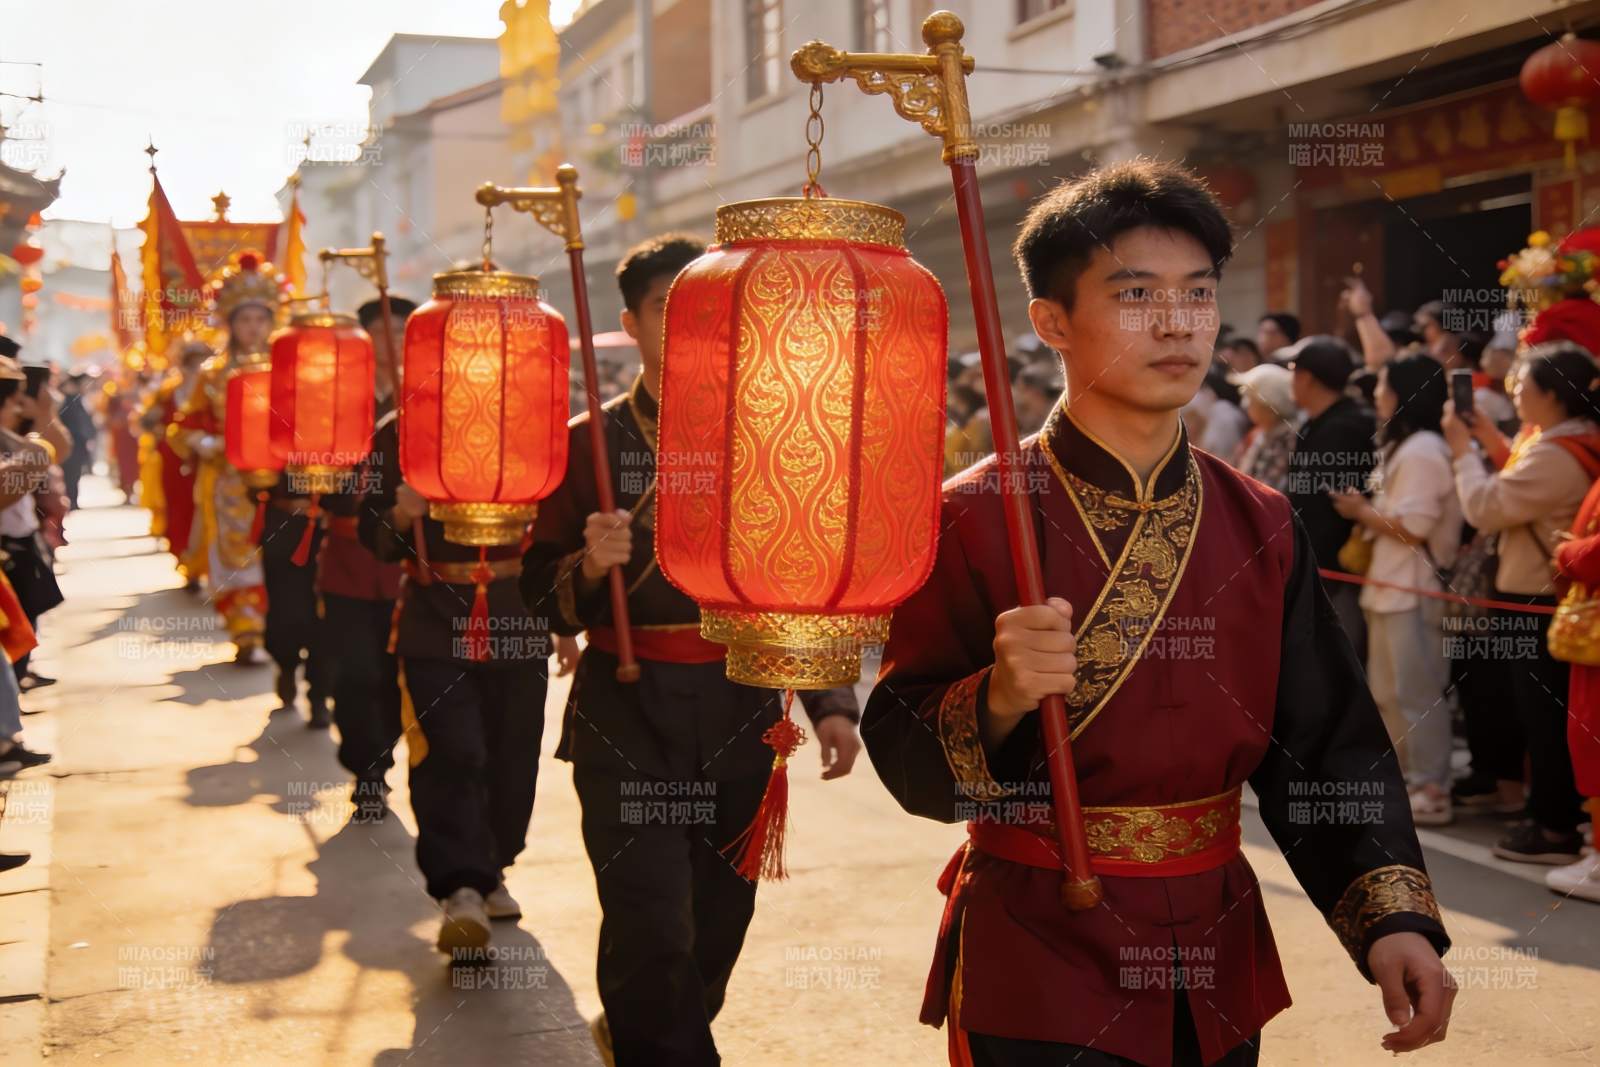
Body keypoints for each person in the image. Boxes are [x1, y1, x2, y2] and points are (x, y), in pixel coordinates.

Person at [864, 160, 1452, 1067]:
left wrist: (1393, 918)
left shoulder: (1260, 519)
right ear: (1051, 321)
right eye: (1136, 294)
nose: (1178, 323)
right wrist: (1000, 697)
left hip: (1218, 950)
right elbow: (904, 748)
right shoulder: (967, 516)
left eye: (1198, 292)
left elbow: (1327, 740)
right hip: (1042, 951)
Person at [522, 233, 863, 1067]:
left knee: (717, 920)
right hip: (625, 712)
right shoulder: (583, 444)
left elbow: (807, 579)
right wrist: (585, 566)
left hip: (742, 704)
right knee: (647, 919)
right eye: (667, 313)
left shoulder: (778, 439)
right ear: (631, 324)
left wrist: (831, 702)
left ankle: (649, 1033)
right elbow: (532, 592)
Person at [357, 284, 551, 955]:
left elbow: (557, 530)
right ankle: (459, 887)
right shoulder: (398, 432)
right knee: (451, 749)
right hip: (435, 616)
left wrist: (572, 622)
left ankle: (495, 864)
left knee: (512, 749)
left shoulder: (535, 421)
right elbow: (370, 532)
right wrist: (402, 513)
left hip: (519, 613)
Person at [1444, 340, 1600, 865]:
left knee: (1544, 717)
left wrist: (1462, 452)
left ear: (1552, 395)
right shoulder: (1566, 441)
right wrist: (1486, 436)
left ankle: (1553, 825)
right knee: (1545, 713)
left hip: (1532, 598)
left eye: (1522, 383)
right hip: (1541, 593)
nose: (1513, 390)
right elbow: (1520, 470)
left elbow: (1488, 506)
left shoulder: (1557, 453)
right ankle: (1551, 813)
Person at [1331, 355, 1461, 825]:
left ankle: (1431, 784)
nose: (1377, 394)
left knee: (1417, 692)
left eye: (1384, 385)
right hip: (1390, 585)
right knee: (1388, 690)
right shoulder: (1408, 446)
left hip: (1415, 587)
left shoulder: (1424, 448)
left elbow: (1417, 526)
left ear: (1404, 393)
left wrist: (1361, 512)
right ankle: (1405, 778)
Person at [315, 295, 414, 821]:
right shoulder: (335, 401)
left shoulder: (425, 403)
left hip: (407, 563)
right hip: (349, 561)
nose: (390, 342)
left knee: (397, 673)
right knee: (354, 672)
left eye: (400, 332)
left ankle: (385, 753)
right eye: (380, 333)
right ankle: (367, 771)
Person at [173, 252, 277, 664]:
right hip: (230, 480)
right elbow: (181, 428)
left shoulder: (285, 369)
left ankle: (277, 628)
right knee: (236, 553)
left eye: (260, 320)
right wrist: (205, 444)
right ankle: (244, 630)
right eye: (245, 320)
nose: (253, 328)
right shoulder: (213, 374)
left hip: (281, 479)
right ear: (231, 323)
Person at [1282, 334, 1377, 660]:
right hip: (1318, 570)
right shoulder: (1321, 423)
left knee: (1338, 661)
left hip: (1335, 575)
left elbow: (1325, 508)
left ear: (1306, 378)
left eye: (1292, 369)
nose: (1289, 378)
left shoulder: (1344, 427)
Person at [145, 339, 210, 591]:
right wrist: (168, 432)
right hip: (173, 460)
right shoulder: (167, 392)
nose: (197, 370)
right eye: (192, 365)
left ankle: (201, 565)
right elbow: (145, 422)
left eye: (201, 364)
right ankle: (185, 560)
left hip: (205, 460)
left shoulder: (212, 390)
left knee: (202, 511)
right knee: (178, 508)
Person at [1228, 361, 1297, 491]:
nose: (1246, 404)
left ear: (1269, 406)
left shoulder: (1287, 439)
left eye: (1251, 398)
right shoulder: (1261, 433)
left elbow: (1266, 485)